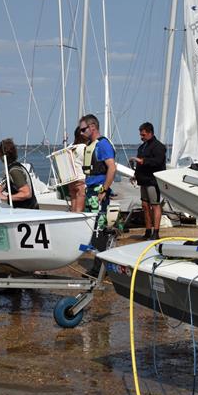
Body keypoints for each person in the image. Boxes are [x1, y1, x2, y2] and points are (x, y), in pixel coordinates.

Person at [80, 114, 116, 276]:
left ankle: (99, 269)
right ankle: (98, 266)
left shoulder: (103, 145)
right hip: (91, 189)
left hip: (98, 191)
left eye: (83, 129)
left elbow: (112, 168)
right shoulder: (91, 145)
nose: (81, 133)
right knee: (93, 228)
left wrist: (103, 190)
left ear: (92, 127)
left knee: (99, 228)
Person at [131, 122, 167, 240]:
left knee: (155, 205)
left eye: (144, 135)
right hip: (143, 180)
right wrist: (135, 175)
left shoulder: (159, 147)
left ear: (150, 133)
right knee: (145, 205)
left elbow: (157, 161)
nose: (142, 137)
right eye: (141, 135)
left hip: (153, 181)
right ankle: (148, 230)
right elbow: (140, 164)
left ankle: (156, 232)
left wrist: (143, 161)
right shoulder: (142, 147)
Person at [0, 138, 38, 209]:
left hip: (27, 212)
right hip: (21, 210)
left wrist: (6, 198)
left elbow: (26, 193)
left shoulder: (14, 171)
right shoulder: (12, 168)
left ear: (0, 155)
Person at [68, 126, 89, 212]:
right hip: (81, 177)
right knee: (80, 208)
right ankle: (78, 221)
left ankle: (72, 220)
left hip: (71, 179)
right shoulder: (84, 147)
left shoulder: (70, 146)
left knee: (73, 200)